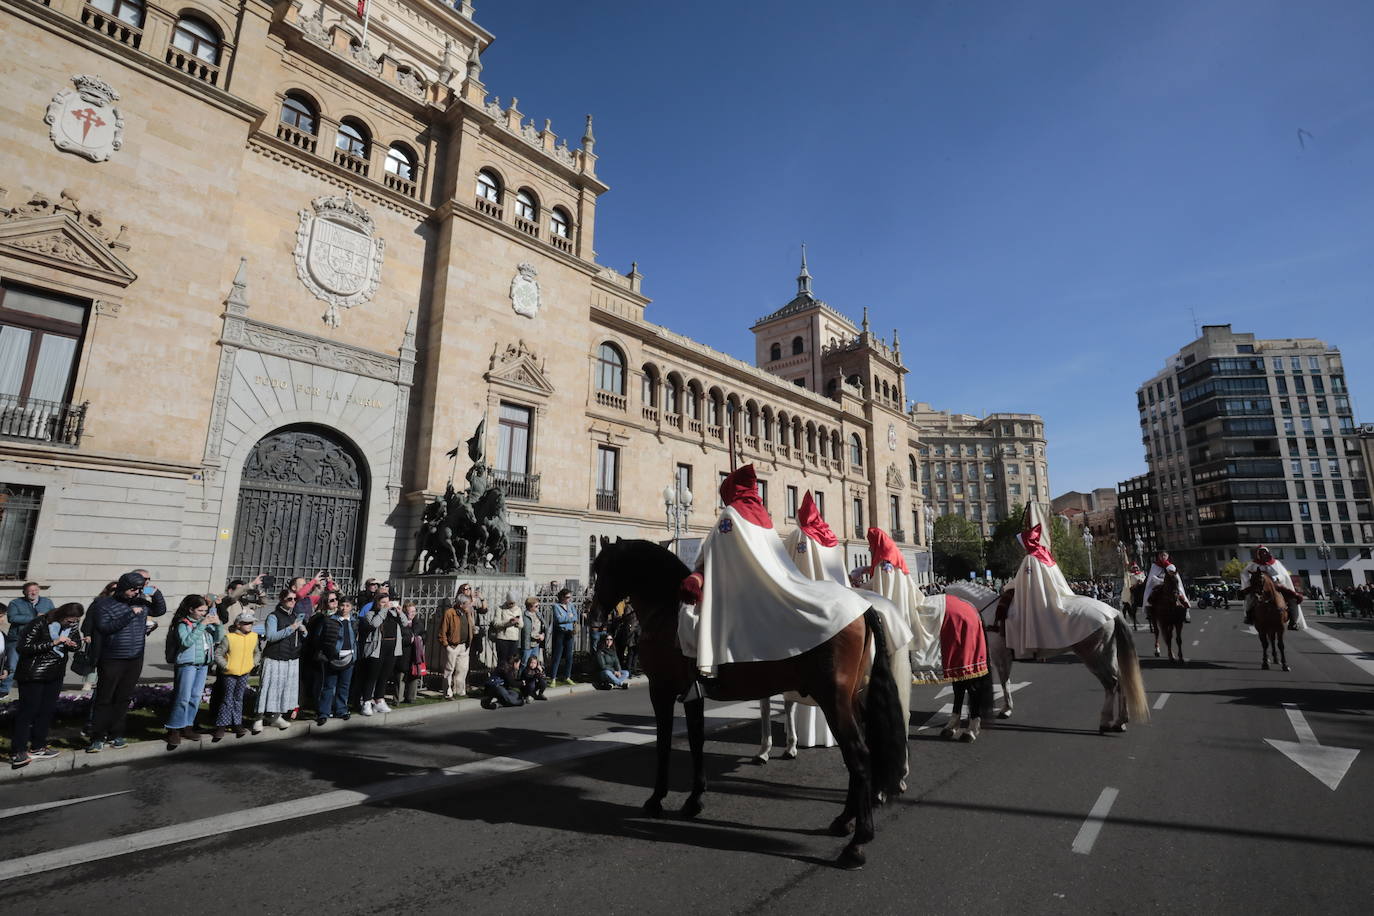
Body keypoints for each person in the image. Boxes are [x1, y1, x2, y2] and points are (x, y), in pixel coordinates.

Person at [87, 571, 167, 753]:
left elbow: (159, 610)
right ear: (123, 588)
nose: (136, 593)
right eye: (133, 590)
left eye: (139, 589)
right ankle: (97, 737)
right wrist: (130, 614)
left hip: (135, 657)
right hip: (112, 657)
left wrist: (156, 594)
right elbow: (104, 627)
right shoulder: (103, 604)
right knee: (104, 698)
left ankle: (116, 734)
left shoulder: (140, 601)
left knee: (123, 698)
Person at [9, 602, 83, 769]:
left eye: (75, 621)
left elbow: (77, 643)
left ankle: (38, 746)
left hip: (55, 673)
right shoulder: (40, 623)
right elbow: (23, 647)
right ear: (62, 615)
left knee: (46, 711)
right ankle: (18, 750)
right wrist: (53, 643)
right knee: (28, 711)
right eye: (70, 621)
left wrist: (73, 644)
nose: (72, 624)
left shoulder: (72, 626)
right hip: (33, 673)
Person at [164, 594, 223, 749]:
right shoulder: (183, 624)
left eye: (205, 610)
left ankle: (187, 726)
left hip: (203, 664)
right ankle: (174, 728)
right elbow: (186, 642)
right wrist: (202, 624)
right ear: (190, 609)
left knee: (196, 696)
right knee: (183, 697)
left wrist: (218, 625)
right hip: (187, 664)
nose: (204, 613)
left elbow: (218, 638)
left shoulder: (204, 623)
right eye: (200, 610)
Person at [253, 589, 305, 733]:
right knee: (267, 688)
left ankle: (276, 716)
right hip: (274, 657)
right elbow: (271, 636)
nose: (293, 602)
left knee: (283, 688)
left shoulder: (295, 616)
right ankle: (258, 718)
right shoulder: (273, 616)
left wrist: (302, 630)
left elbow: (298, 636)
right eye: (290, 599)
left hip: (291, 657)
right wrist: (291, 628)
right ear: (282, 600)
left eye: (295, 599)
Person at [212, 610, 259, 741]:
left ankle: (236, 723)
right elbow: (218, 654)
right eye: (246, 623)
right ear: (238, 624)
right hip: (230, 674)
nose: (249, 625)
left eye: (251, 623)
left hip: (244, 672)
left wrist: (252, 664)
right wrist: (226, 666)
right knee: (227, 699)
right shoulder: (229, 638)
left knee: (238, 698)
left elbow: (256, 652)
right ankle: (221, 725)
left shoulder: (254, 636)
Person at [2, 581, 53, 697]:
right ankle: (3, 690)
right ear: (24, 592)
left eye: (35, 590)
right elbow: (12, 618)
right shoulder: (15, 603)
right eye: (30, 591)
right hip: (17, 639)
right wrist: (35, 618)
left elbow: (53, 615)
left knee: (33, 666)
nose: (33, 592)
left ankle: (30, 690)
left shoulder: (47, 602)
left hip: (38, 640)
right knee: (12, 666)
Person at [358, 592, 403, 715]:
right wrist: (383, 610)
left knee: (384, 675)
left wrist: (400, 612)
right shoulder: (370, 614)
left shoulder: (393, 614)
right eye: (383, 602)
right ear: (377, 603)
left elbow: (405, 623)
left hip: (392, 647)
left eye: (387, 602)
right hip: (377, 648)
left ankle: (379, 700)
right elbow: (374, 624)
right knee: (372, 676)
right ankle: (366, 701)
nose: (386, 605)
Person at [1242, 545, 1306, 630]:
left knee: (1292, 598)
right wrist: (1251, 579)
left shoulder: (1275, 563)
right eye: (1261, 552)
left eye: (1264, 552)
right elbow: (1244, 574)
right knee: (1250, 597)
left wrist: (1276, 578)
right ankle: (1249, 616)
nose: (1263, 554)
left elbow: (1284, 575)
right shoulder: (1252, 564)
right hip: (1258, 586)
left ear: (1267, 553)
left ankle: (1293, 622)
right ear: (1258, 554)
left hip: (1276, 585)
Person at [316, 598, 358, 725]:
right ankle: (324, 711)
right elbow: (319, 637)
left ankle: (341, 709)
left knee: (344, 686)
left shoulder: (354, 621)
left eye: (347, 605)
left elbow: (355, 638)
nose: (344, 608)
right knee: (329, 685)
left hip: (349, 657)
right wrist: (325, 653)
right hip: (333, 658)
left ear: (351, 608)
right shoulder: (330, 620)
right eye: (342, 605)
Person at [437, 593, 476, 699]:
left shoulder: (467, 613)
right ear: (460, 604)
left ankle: (460, 691)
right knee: (449, 669)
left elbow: (471, 626)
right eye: (467, 604)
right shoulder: (450, 613)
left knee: (463, 669)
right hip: (452, 646)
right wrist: (446, 645)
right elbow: (442, 631)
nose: (469, 606)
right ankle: (447, 692)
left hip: (464, 646)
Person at [396, 600, 427, 704]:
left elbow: (424, 634)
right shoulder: (400, 623)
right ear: (405, 612)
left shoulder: (418, 622)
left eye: (414, 611)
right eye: (410, 611)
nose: (413, 613)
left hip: (414, 654)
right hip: (403, 653)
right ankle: (398, 698)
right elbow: (398, 638)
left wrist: (420, 638)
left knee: (414, 675)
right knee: (401, 676)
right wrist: (409, 640)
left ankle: (411, 697)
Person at [549, 588, 578, 685]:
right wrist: (569, 617)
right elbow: (558, 619)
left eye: (570, 597)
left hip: (569, 632)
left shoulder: (571, 605)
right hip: (561, 632)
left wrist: (568, 617)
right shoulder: (556, 606)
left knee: (569, 656)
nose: (569, 599)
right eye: (567, 597)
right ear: (562, 597)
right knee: (557, 655)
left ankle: (567, 676)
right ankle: (553, 678)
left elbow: (575, 617)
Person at [490, 592, 523, 666]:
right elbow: (496, 623)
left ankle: (510, 676)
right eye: (510, 603)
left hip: (514, 639)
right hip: (502, 639)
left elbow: (521, 625)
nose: (511, 605)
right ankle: (500, 677)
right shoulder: (500, 609)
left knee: (512, 661)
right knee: (502, 661)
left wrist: (517, 622)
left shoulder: (518, 609)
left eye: (513, 603)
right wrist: (508, 622)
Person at [520, 595, 545, 665]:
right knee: (525, 662)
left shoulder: (538, 614)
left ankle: (533, 676)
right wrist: (538, 636)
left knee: (534, 663)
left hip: (536, 643)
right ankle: (521, 675)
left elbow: (543, 625)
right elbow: (527, 632)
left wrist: (543, 634)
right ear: (530, 607)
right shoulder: (525, 617)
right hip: (528, 644)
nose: (538, 607)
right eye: (536, 606)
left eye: (538, 606)